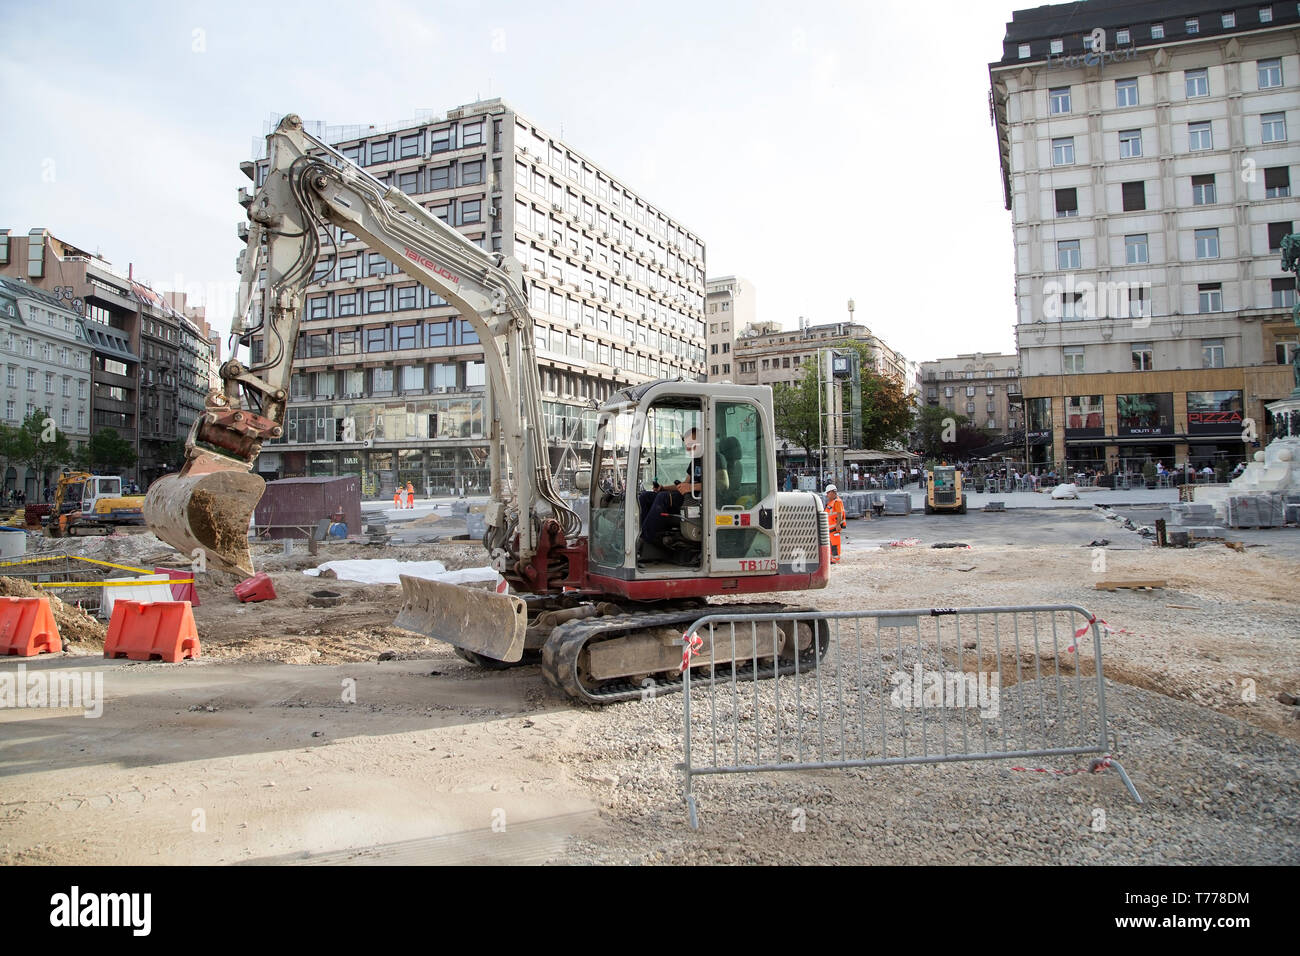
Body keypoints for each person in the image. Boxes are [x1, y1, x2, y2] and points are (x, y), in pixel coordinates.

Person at [637, 427, 704, 550]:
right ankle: (650, 535)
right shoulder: (695, 461)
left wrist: (690, 487)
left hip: (698, 501)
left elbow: (721, 484)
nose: (688, 449)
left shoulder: (713, 459)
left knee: (663, 498)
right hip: (687, 496)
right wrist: (663, 488)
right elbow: (684, 484)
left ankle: (645, 540)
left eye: (691, 445)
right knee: (645, 496)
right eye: (686, 445)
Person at [824, 484, 846, 564]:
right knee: (831, 543)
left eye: (828, 493)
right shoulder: (832, 502)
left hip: (834, 527)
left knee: (835, 544)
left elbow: (839, 513)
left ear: (832, 492)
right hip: (830, 527)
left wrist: (838, 525)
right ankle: (831, 558)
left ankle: (835, 559)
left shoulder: (837, 502)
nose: (827, 495)